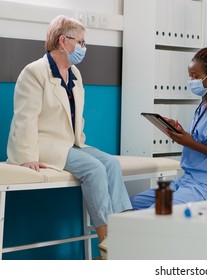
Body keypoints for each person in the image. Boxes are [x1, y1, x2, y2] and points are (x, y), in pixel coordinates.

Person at [6, 15, 132, 258]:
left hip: (71, 143)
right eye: (81, 42)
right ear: (63, 41)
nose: (84, 48)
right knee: (94, 169)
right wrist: (26, 156)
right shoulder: (33, 72)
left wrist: (78, 140)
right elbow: (25, 118)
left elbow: (76, 116)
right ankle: (107, 244)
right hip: (45, 144)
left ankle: (124, 233)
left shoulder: (74, 74)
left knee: (112, 164)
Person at [130, 43, 207, 209]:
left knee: (159, 211)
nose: (191, 81)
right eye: (190, 76)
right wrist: (181, 132)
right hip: (189, 181)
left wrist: (188, 142)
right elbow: (201, 139)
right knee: (134, 204)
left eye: (196, 76)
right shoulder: (205, 105)